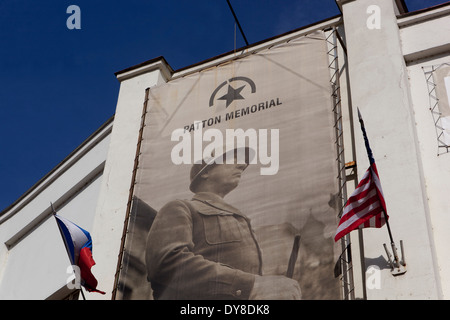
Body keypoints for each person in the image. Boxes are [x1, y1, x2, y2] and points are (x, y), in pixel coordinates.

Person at [145, 147, 301, 300]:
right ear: (206, 171)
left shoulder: (241, 220)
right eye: (231, 159)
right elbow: (167, 264)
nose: (241, 165)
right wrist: (251, 286)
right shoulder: (180, 208)